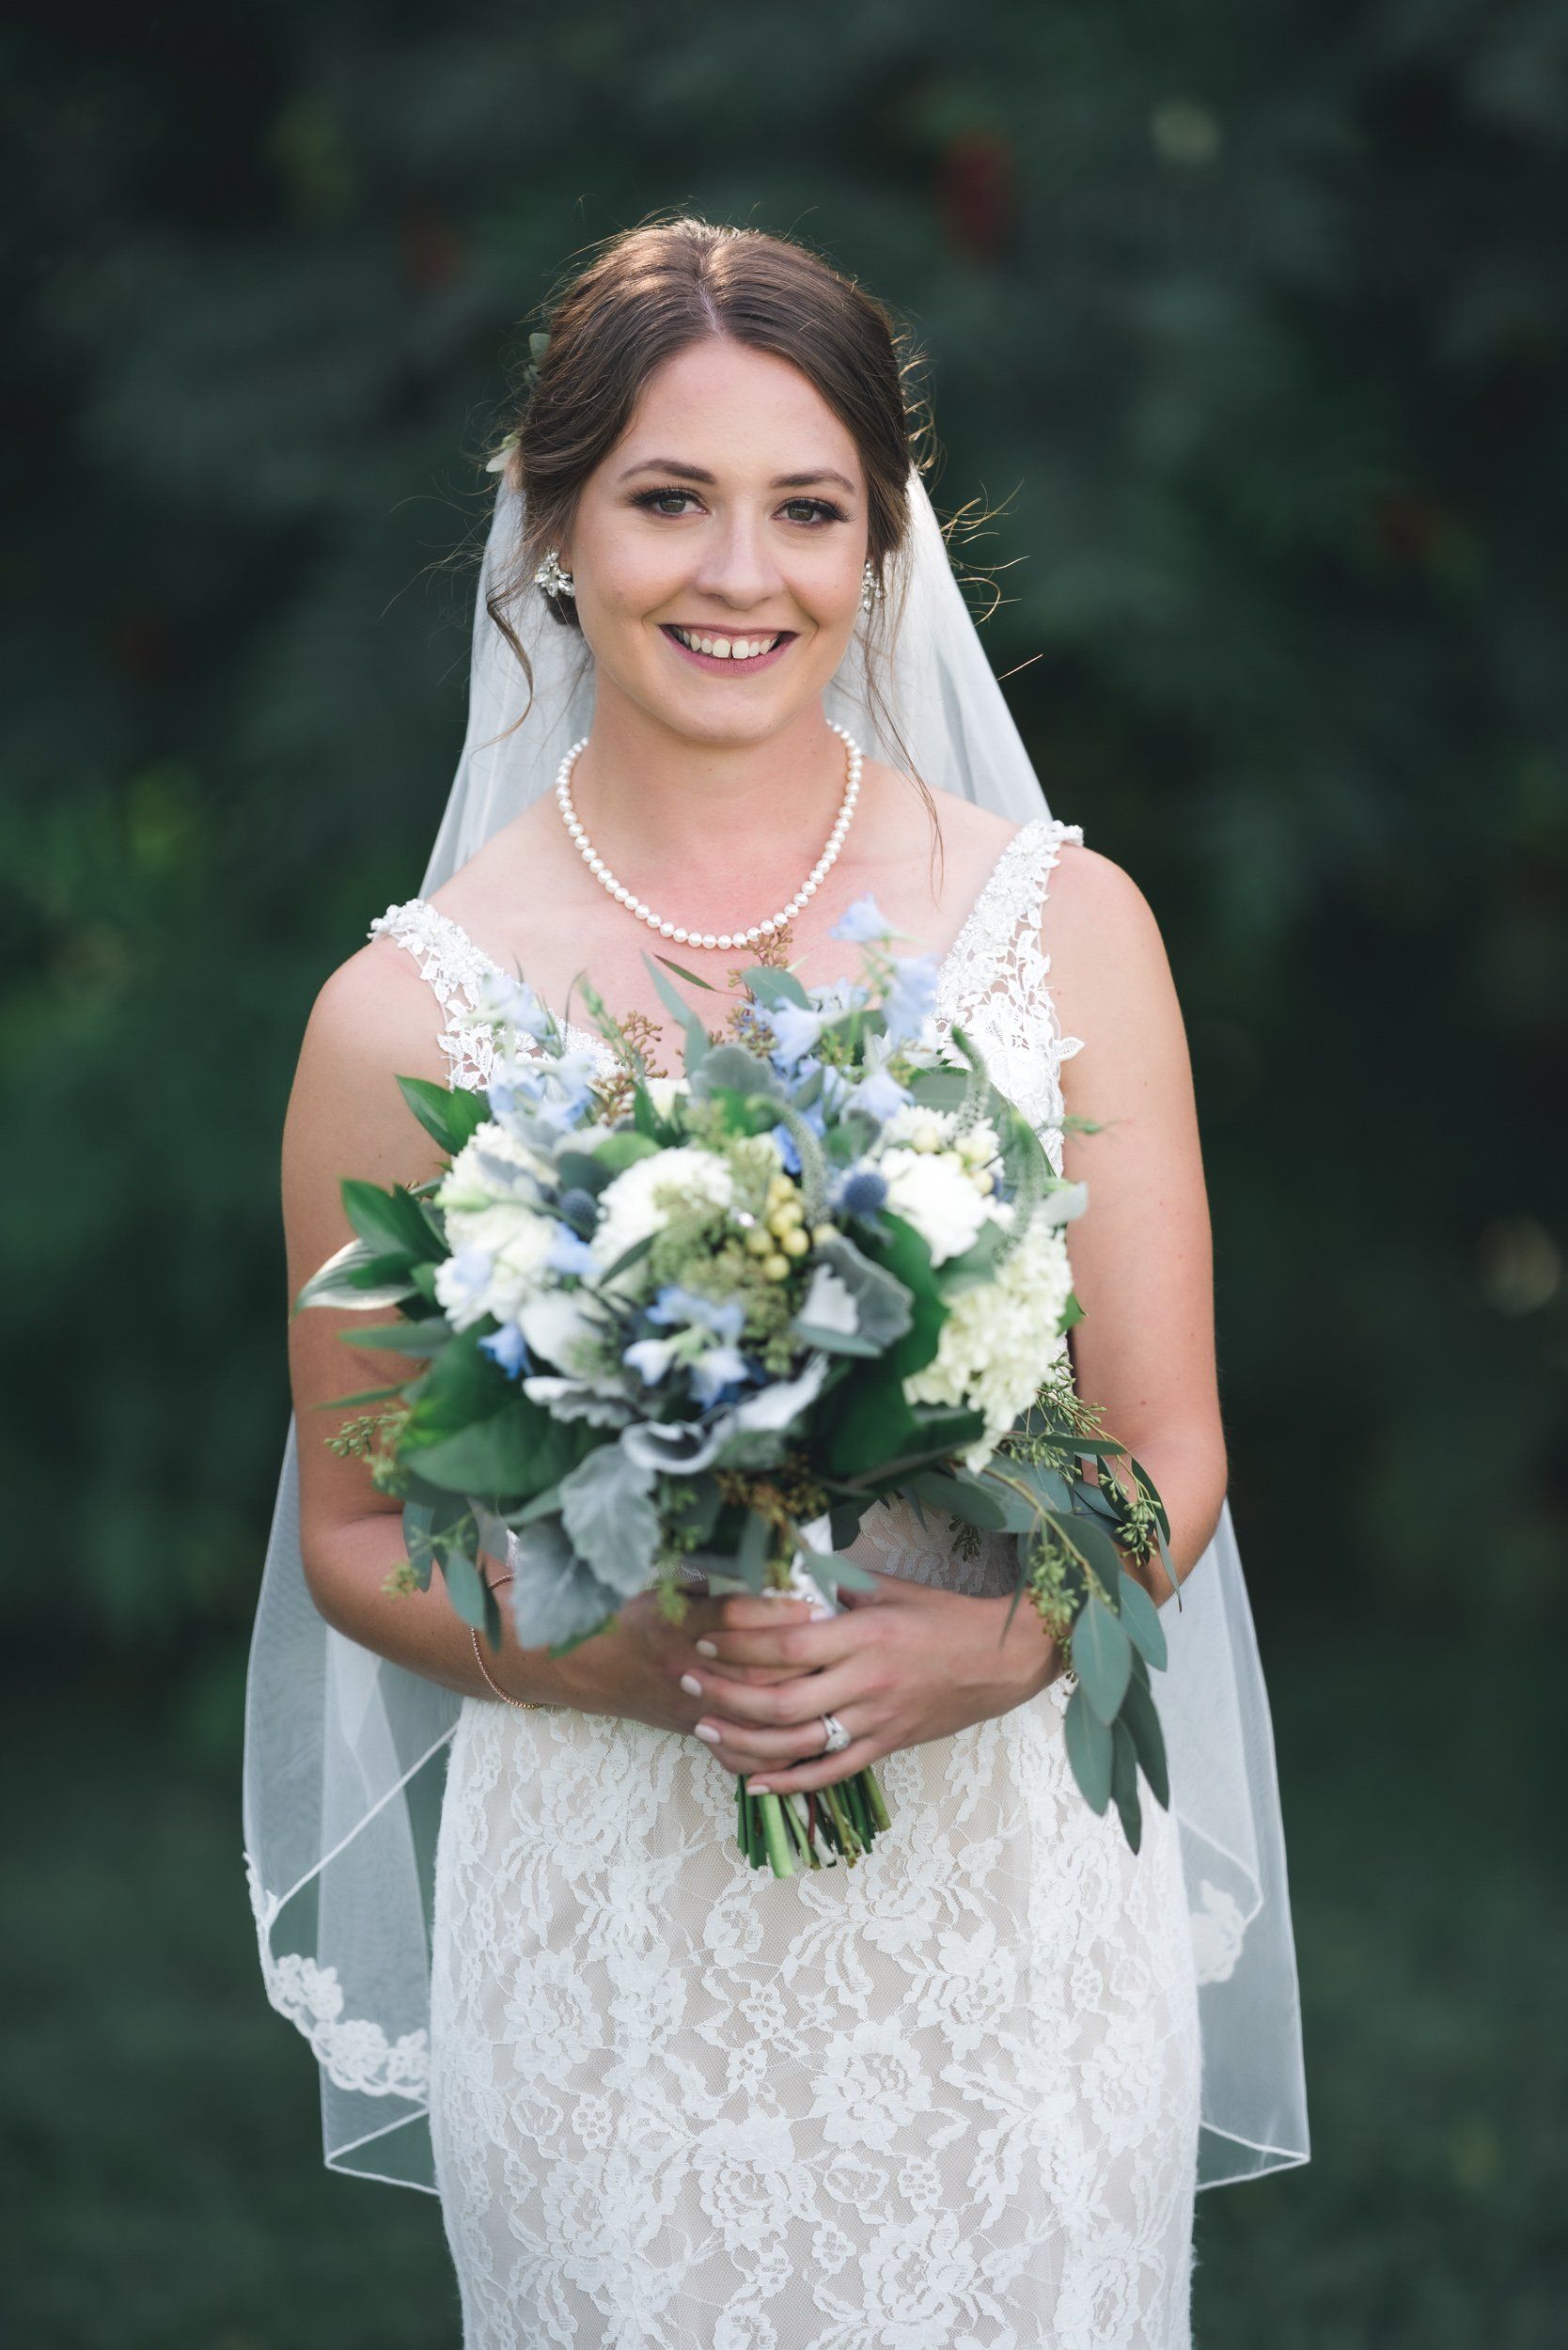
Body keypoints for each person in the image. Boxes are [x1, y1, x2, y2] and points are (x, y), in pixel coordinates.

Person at [255, 217, 1308, 2346]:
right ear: (551, 526)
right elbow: (365, 1531)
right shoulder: (406, 1012)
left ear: (882, 546)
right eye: (668, 498)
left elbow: (1170, 1446)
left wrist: (994, 1649)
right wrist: (645, 1658)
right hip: (611, 1928)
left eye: (807, 509)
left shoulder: (1062, 928)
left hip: (1005, 1907)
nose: (741, 574)